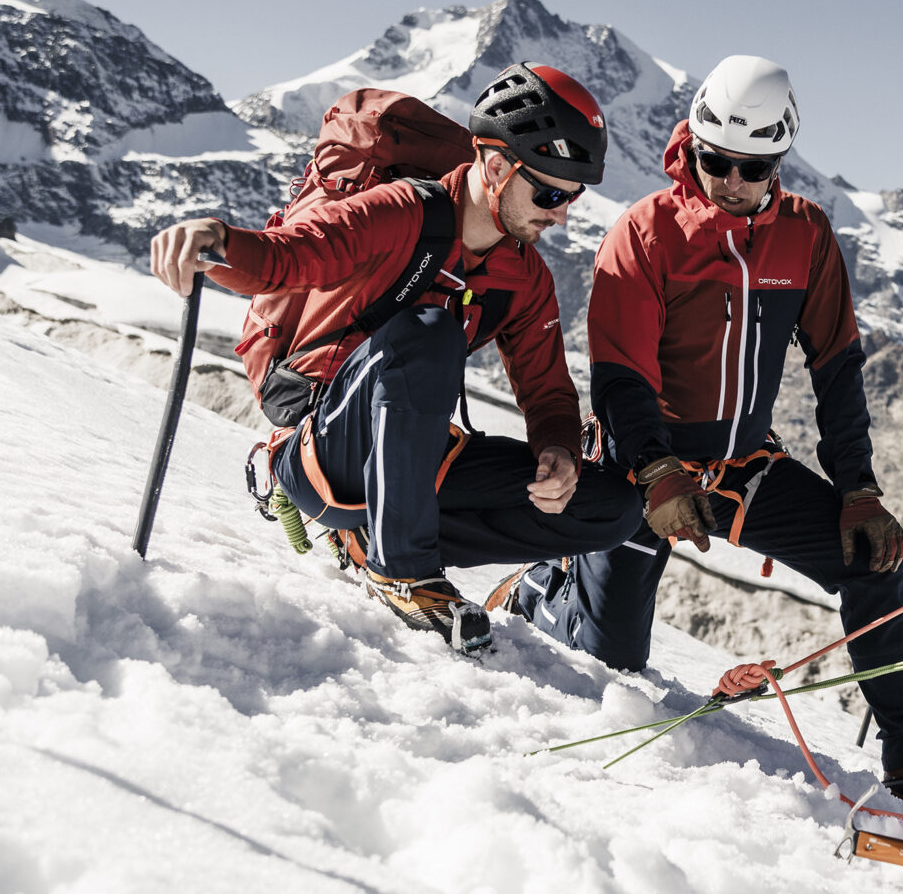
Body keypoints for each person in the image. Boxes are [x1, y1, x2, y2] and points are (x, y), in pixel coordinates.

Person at [502, 55, 903, 814]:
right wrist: (655, 470)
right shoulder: (645, 232)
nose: (731, 180)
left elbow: (838, 371)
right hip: (644, 464)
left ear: (779, 158)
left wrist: (859, 489)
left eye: (753, 166)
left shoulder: (806, 236)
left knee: (872, 560)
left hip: (744, 466)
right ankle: (544, 584)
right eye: (716, 161)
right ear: (694, 144)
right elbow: (620, 376)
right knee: (614, 656)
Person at [148, 64, 642, 649]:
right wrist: (216, 240)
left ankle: (370, 536)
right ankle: (400, 569)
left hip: (411, 460)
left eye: (573, 197)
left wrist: (557, 450)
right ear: (495, 166)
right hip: (326, 444)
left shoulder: (525, 276)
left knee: (612, 509)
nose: (560, 214)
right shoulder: (404, 210)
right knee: (429, 331)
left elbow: (547, 390)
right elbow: (291, 254)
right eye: (550, 192)